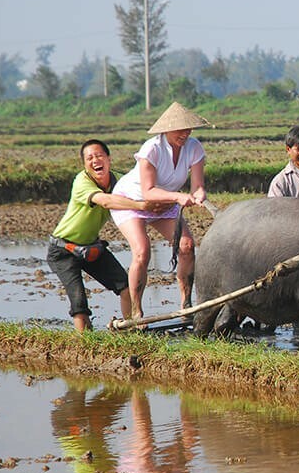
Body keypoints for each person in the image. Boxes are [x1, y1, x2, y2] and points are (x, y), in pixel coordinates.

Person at [47, 139, 172, 332]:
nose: (95, 160)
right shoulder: (82, 182)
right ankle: (85, 345)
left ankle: (130, 329)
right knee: (79, 301)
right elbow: (105, 201)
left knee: (125, 287)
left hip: (91, 247)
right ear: (85, 165)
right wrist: (139, 206)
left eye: (99, 156)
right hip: (64, 249)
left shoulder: (121, 182)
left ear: (108, 159)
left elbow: (143, 188)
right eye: (90, 158)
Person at [111, 102, 212, 320]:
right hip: (133, 202)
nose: (185, 134)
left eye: (188, 129)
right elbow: (148, 192)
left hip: (164, 204)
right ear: (166, 129)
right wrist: (178, 197)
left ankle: (186, 303)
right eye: (179, 129)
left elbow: (197, 185)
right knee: (142, 251)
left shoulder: (194, 148)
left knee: (187, 246)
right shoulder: (152, 149)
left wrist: (199, 194)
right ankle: (137, 312)